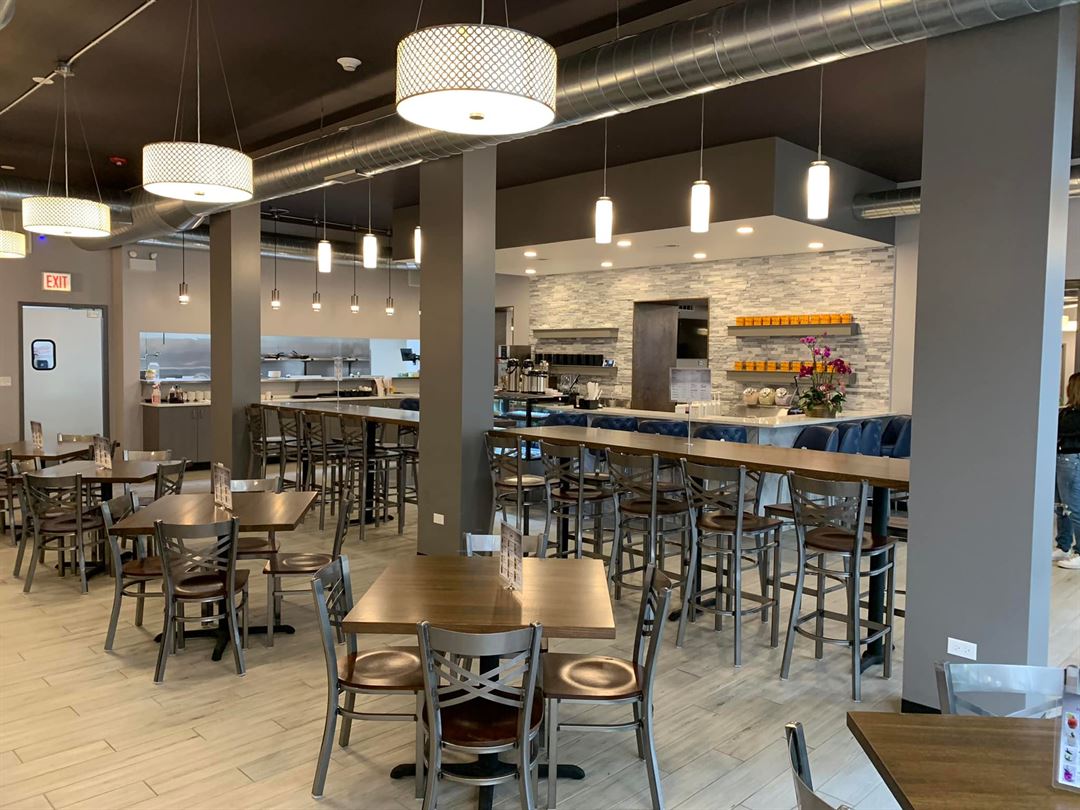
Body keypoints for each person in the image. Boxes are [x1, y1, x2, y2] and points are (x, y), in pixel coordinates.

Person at [1056, 373, 1080, 569]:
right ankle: (1063, 546)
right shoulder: (1067, 412)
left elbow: (1059, 429)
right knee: (1061, 506)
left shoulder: (1072, 416)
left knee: (1073, 507)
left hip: (1071, 460)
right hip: (1063, 459)